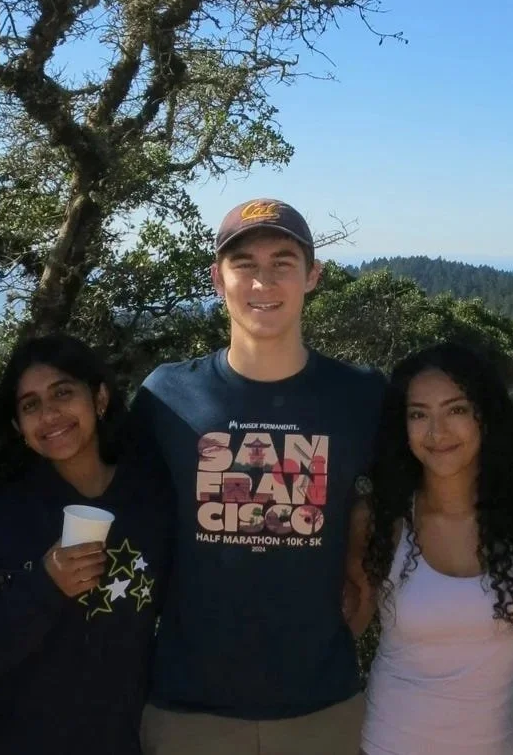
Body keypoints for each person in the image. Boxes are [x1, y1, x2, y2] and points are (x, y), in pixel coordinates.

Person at [132, 198, 387, 755]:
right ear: (217, 279)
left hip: (321, 705)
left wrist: (363, 545)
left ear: (312, 276)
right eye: (244, 263)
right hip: (187, 708)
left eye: (283, 262)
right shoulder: (165, 396)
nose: (262, 281)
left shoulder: (362, 396)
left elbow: (411, 497)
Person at [0, 333, 172, 754]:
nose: (49, 415)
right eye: (30, 405)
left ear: (99, 399)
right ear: (17, 427)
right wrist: (44, 587)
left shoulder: (151, 499)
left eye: (63, 393)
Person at [352, 343, 513, 755]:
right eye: (418, 414)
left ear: (487, 416)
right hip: (388, 744)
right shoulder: (380, 519)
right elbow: (340, 630)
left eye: (456, 410)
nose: (437, 432)